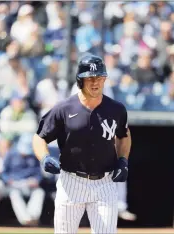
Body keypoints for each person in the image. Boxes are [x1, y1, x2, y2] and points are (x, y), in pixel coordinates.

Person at [33, 54, 132, 233]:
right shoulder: (64, 108)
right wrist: (44, 157)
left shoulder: (116, 109)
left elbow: (124, 135)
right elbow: (39, 137)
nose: (96, 83)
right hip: (71, 181)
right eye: (90, 78)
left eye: (100, 78)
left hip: (105, 182)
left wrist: (123, 159)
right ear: (80, 80)